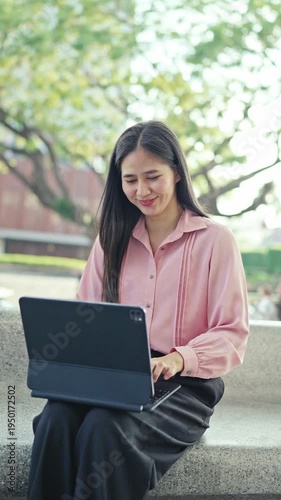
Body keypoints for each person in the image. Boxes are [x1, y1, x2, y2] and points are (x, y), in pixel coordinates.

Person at [27, 121, 249, 500]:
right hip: (114, 376)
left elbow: (232, 332)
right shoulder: (111, 239)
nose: (141, 191)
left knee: (104, 427)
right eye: (130, 180)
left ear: (176, 173)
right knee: (55, 419)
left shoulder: (215, 240)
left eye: (152, 177)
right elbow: (85, 316)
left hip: (184, 384)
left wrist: (178, 359)